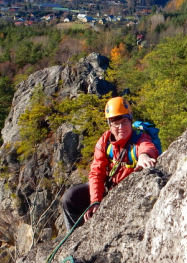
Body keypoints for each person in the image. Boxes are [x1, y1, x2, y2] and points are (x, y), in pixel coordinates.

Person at [60, 96, 158, 231]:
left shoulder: (139, 137)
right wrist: (95, 201)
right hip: (107, 188)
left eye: (124, 121)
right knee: (70, 197)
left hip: (125, 194)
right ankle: (75, 235)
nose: (121, 127)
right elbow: (96, 172)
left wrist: (143, 156)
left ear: (130, 120)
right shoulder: (105, 141)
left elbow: (146, 146)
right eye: (115, 123)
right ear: (109, 125)